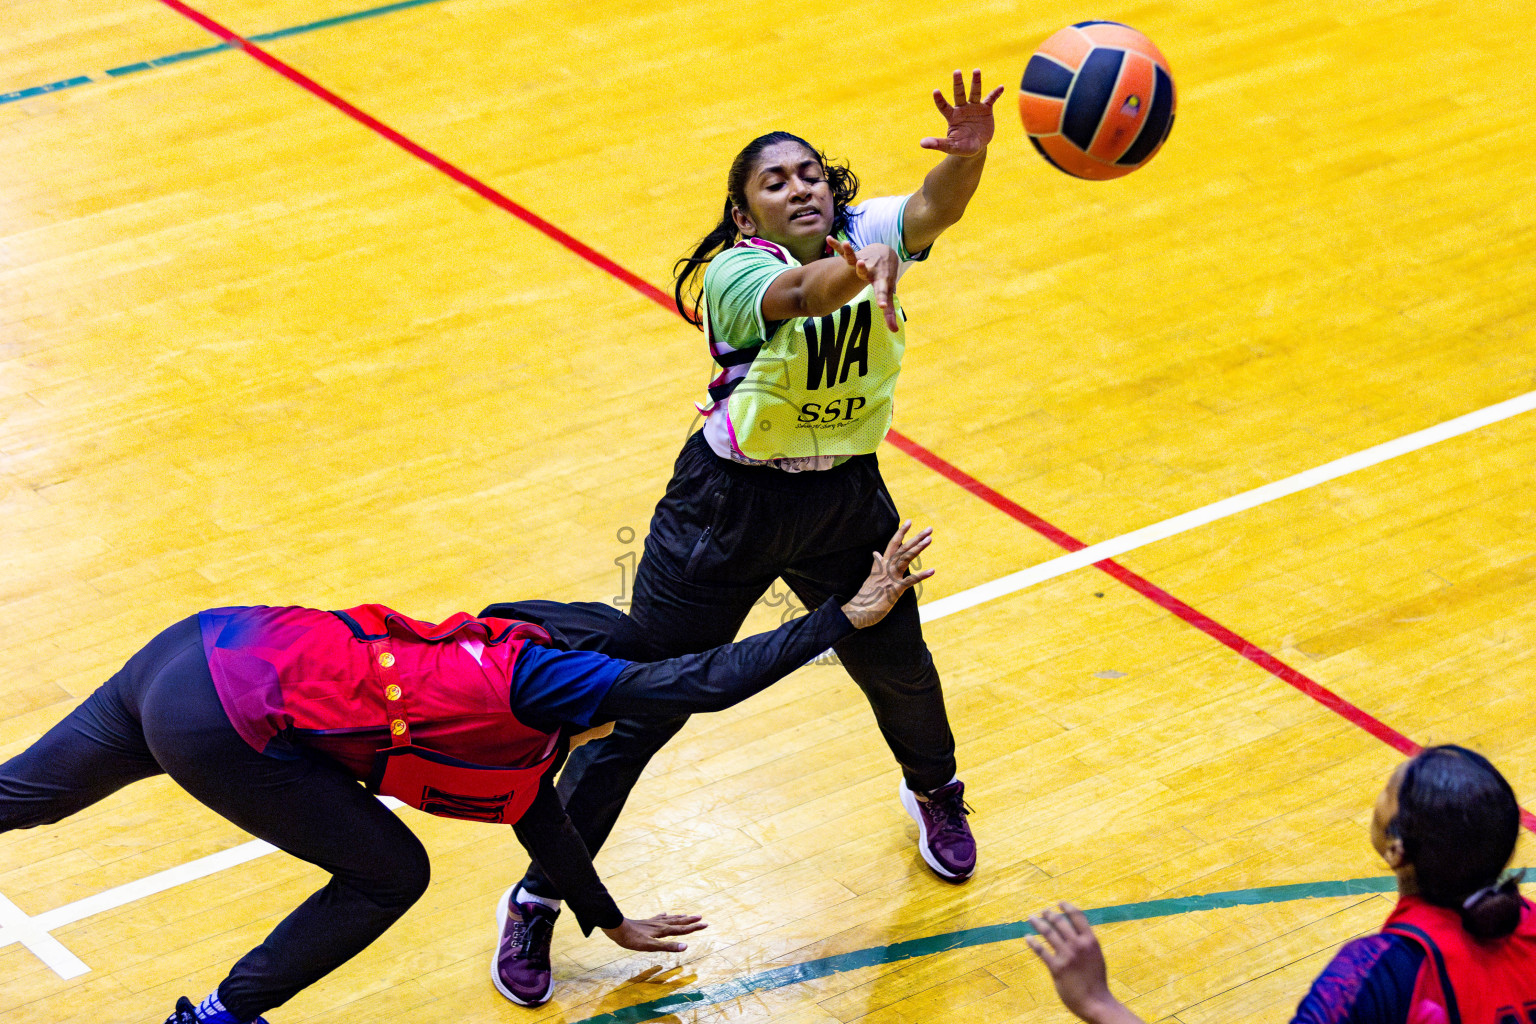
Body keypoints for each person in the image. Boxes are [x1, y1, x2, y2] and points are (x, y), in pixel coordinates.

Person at [488, 68, 1005, 1008]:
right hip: (724, 510)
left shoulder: (874, 233)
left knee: (898, 660)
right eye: (776, 180)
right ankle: (538, 895)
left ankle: (935, 790)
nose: (802, 185)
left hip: (845, 495)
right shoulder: (737, 273)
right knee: (643, 707)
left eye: (812, 172)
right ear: (745, 214)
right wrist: (858, 270)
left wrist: (968, 159)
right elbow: (803, 295)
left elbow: (936, 205)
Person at [0, 524, 932, 1024]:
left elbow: (547, 827)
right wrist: (841, 619)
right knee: (389, 873)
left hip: (197, 646)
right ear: (589, 690)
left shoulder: (523, 729)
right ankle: (219, 1020)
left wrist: (609, 920)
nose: (625, 723)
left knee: (23, 798)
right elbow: (702, 681)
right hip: (227, 718)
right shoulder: (539, 682)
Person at [1025, 746, 1535, 1024]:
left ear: (1397, 849)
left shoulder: (1375, 975)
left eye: (1388, 790)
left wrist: (1098, 1003)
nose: (1377, 798)